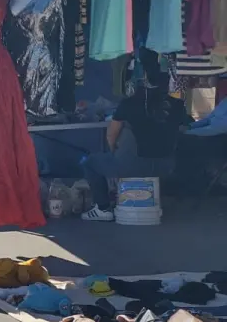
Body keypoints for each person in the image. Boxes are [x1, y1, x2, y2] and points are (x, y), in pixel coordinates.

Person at [81, 81, 191, 221]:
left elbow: (111, 134)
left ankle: (103, 208)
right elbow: (185, 128)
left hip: (132, 166)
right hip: (166, 166)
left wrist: (114, 154)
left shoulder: (128, 103)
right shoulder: (178, 105)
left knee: (90, 162)